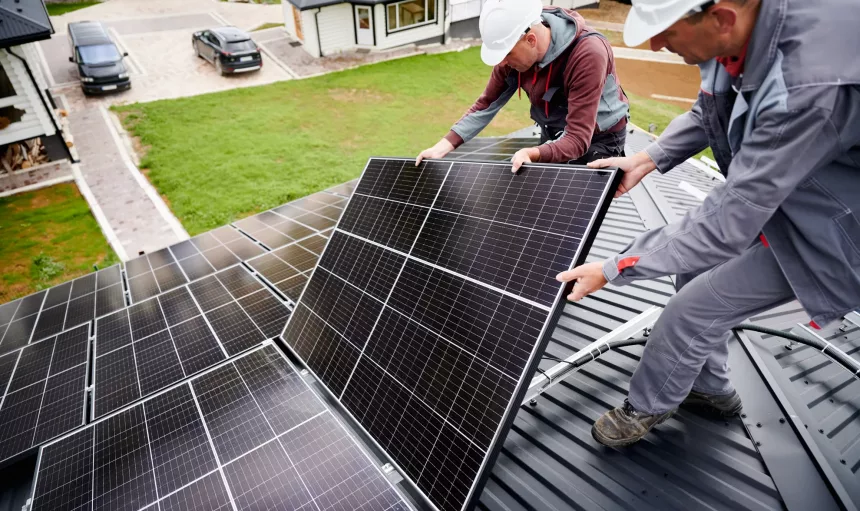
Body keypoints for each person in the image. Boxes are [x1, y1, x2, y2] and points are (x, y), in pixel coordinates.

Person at [555, 0, 860, 447]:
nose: (656, 44)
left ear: (722, 18)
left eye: (667, 31)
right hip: (787, 199)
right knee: (690, 269)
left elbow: (732, 216)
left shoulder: (806, 84)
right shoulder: (744, 36)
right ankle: (711, 390)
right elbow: (708, 110)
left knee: (690, 311)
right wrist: (648, 157)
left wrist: (613, 267)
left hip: (831, 232)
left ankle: (645, 408)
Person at [416, 0, 629, 172]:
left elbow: (578, 138)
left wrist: (535, 153)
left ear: (531, 40)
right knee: (544, 198)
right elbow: (486, 104)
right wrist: (442, 147)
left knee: (578, 206)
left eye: (507, 54)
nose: (502, 63)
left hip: (598, 137)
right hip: (555, 130)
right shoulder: (513, 55)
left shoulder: (587, 54)